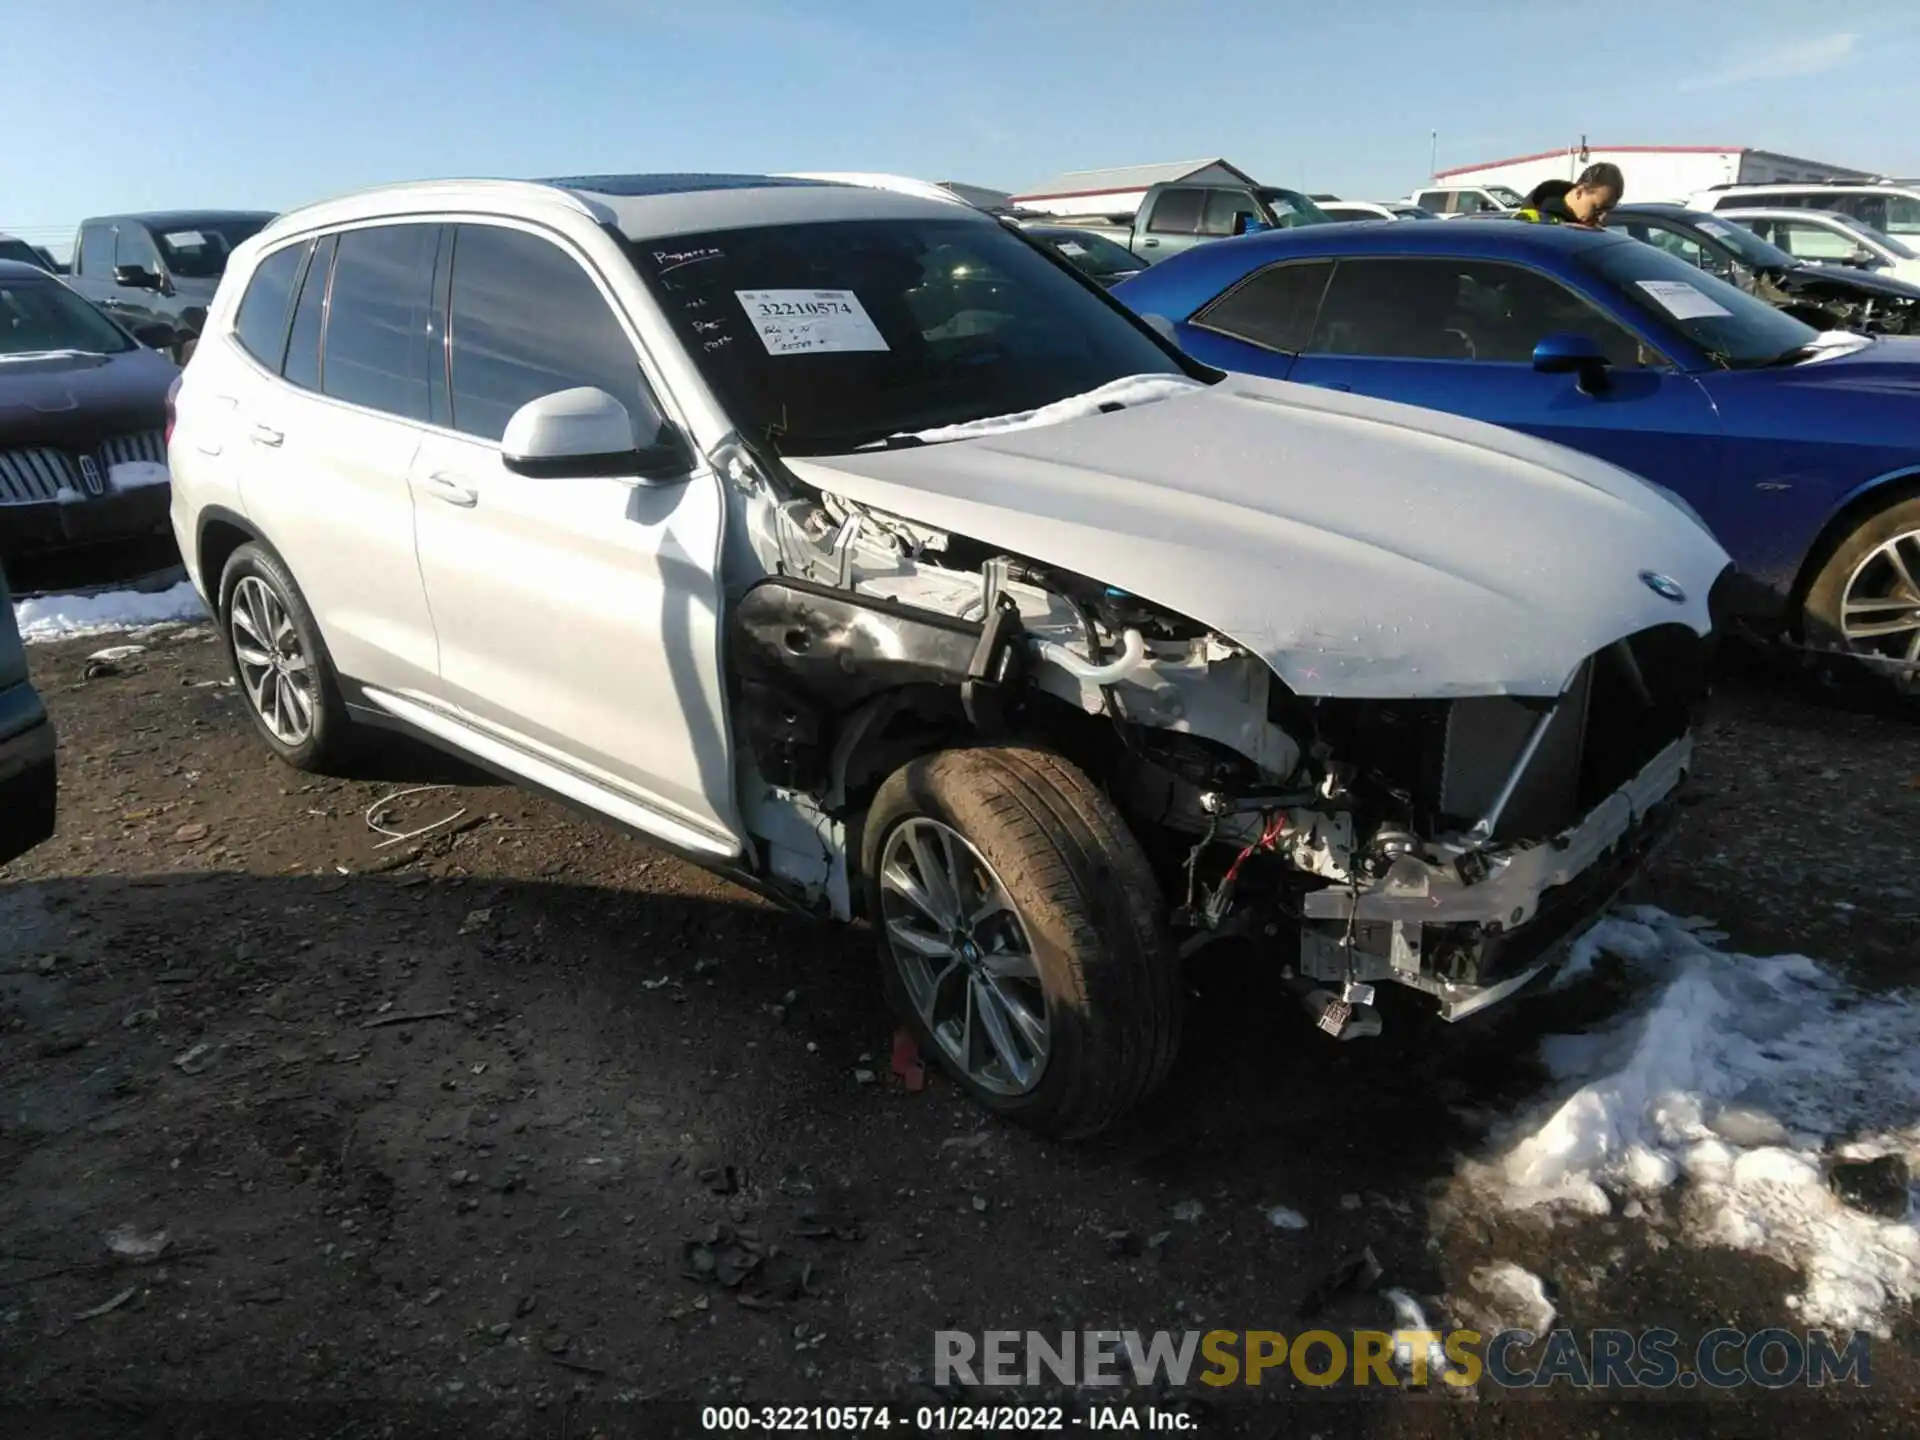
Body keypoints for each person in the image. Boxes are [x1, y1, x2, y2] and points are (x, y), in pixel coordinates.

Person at [1513, 163, 1623, 227]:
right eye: (1597, 209)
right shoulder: (1532, 223)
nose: (1602, 218)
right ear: (1580, 192)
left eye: (1608, 210)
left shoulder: (1590, 227)